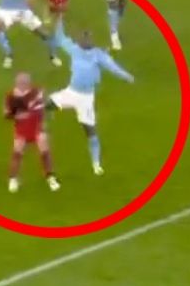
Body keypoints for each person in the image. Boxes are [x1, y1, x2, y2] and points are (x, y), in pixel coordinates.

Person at [47, 18, 135, 176]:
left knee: (90, 131)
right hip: (71, 92)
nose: (86, 41)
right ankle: (41, 120)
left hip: (86, 99)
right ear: (80, 40)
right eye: (84, 38)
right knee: (45, 104)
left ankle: (96, 164)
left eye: (88, 38)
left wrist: (126, 76)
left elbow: (113, 68)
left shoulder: (98, 55)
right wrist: (59, 19)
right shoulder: (74, 49)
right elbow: (60, 38)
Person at [5, 72, 59, 193]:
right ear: (17, 83)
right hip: (22, 130)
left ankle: (50, 177)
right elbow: (7, 114)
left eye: (25, 82)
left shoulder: (37, 91)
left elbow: (44, 104)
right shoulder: (11, 96)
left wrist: (46, 113)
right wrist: (17, 115)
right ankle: (13, 179)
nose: (23, 85)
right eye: (21, 83)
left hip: (37, 128)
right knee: (17, 154)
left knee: (45, 153)